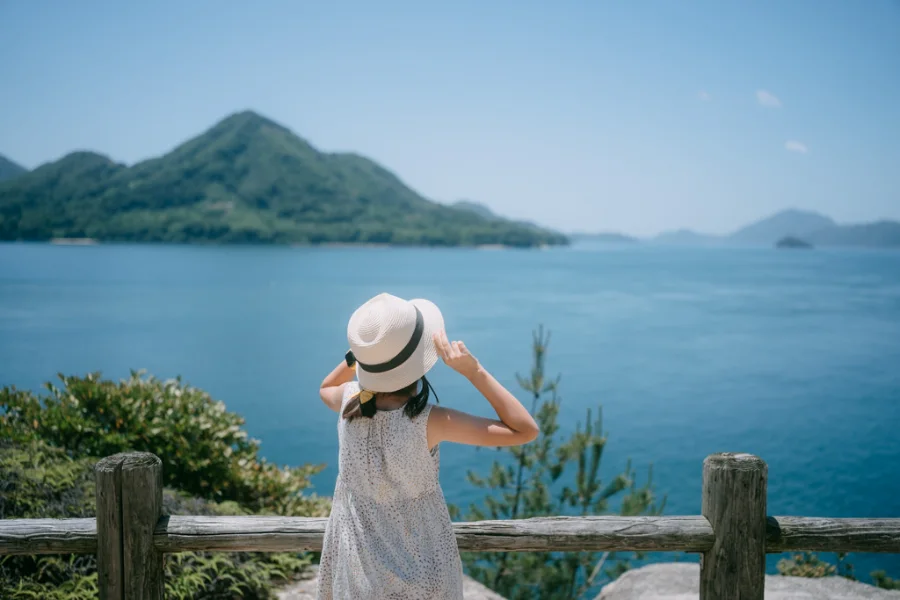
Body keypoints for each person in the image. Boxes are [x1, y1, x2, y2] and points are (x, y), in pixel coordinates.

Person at [316, 293, 540, 600]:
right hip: (425, 568)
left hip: (359, 573)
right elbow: (524, 430)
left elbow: (325, 387)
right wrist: (474, 372)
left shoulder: (349, 402)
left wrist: (363, 355)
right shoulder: (430, 421)